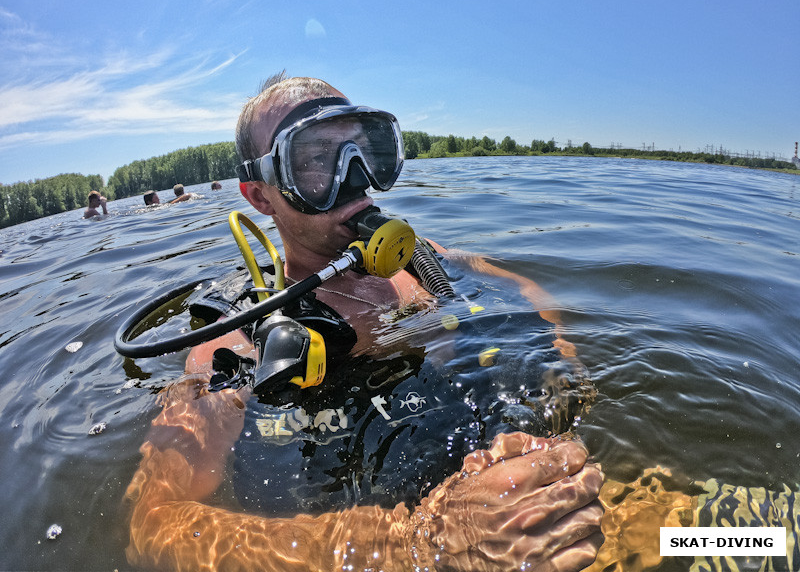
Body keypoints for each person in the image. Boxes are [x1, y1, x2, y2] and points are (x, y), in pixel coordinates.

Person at [123, 74, 604, 571]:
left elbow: (528, 290)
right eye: (314, 161)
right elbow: (154, 523)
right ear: (262, 197)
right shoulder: (238, 343)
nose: (353, 177)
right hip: (433, 538)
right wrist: (418, 544)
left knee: (679, 537)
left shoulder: (425, 259)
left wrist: (566, 374)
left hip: (524, 487)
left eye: (360, 150)